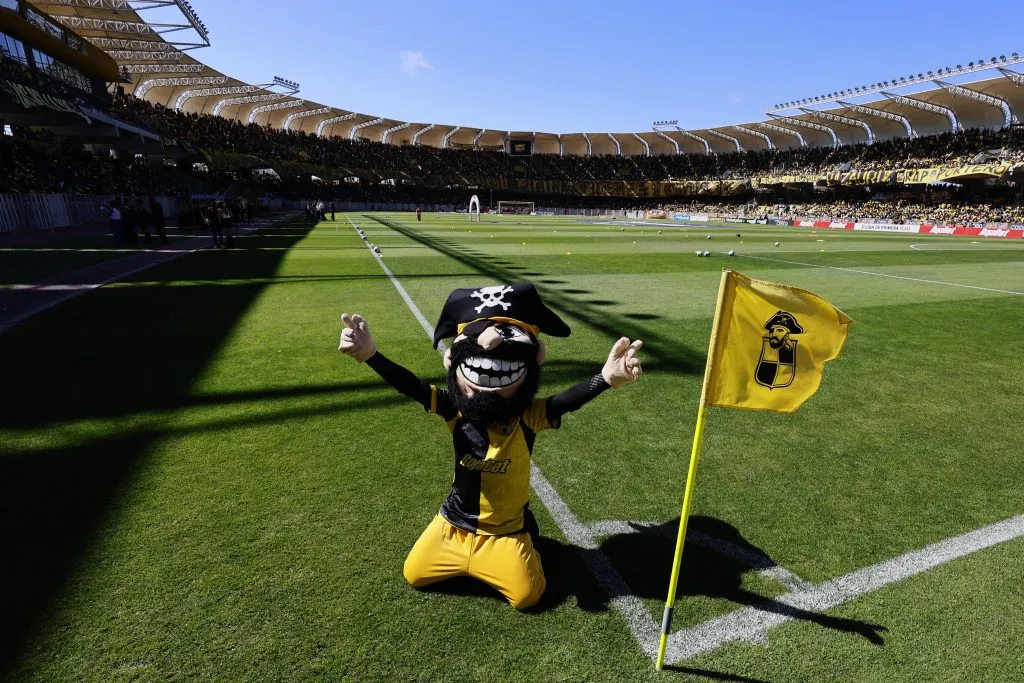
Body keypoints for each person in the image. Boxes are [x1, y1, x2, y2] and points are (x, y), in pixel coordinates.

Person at [338, 283, 642, 609]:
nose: (491, 343)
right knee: (414, 574)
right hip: (453, 526)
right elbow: (411, 386)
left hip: (505, 533)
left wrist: (605, 379)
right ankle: (476, 559)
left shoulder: (529, 416)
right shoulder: (454, 411)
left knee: (528, 597)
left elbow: (566, 402)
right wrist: (371, 356)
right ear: (452, 359)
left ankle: (527, 540)